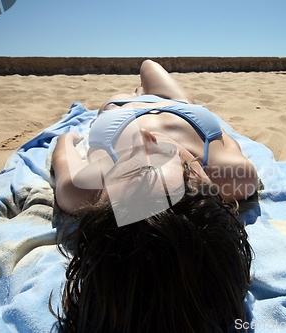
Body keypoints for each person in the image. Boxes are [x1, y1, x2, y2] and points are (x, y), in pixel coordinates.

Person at [51, 60, 258, 332]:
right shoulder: (235, 177)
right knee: (149, 66)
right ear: (204, 180)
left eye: (129, 169)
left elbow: (62, 145)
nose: (145, 139)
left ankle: (138, 93)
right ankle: (142, 92)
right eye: (165, 157)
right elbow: (224, 136)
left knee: (142, 75)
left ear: (106, 201)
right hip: (182, 108)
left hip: (119, 111)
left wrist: (70, 137)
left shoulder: (81, 192)